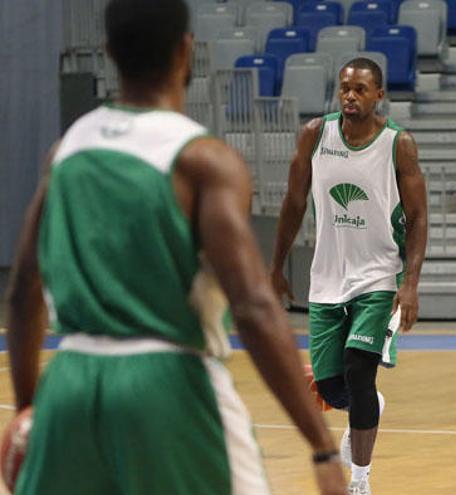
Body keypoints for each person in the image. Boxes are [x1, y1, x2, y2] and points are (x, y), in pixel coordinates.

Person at [3, 1, 346, 494]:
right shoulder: (204, 160)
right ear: (187, 52)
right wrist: (322, 445)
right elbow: (252, 305)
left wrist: (30, 410)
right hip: (169, 385)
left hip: (70, 383)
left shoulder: (66, 151)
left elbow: (22, 291)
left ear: (108, 54)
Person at [269, 58, 427, 495]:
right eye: (344, 89)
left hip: (377, 277)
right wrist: (276, 265)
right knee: (332, 387)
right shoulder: (315, 135)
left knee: (360, 369)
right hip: (327, 279)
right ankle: (367, 405)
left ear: (379, 95)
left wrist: (409, 282)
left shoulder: (399, 144)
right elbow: (294, 203)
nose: (350, 97)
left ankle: (360, 481)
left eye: (360, 89)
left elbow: (417, 215)